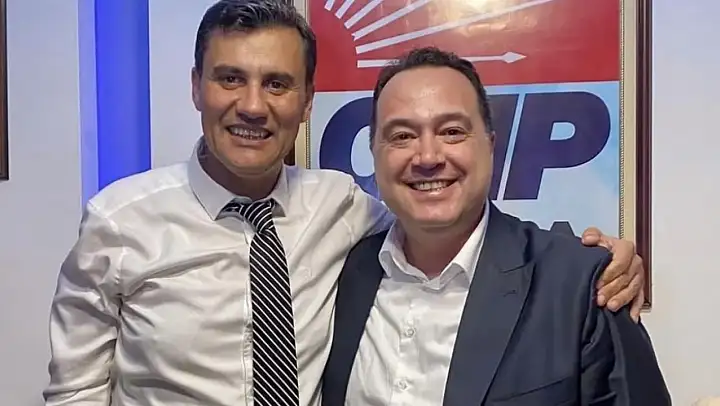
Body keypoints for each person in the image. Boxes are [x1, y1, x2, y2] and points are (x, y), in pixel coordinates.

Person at [44, 1, 646, 405]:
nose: (252, 105)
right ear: (196, 86)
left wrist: (594, 259)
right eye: (230, 78)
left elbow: (458, 218)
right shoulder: (119, 221)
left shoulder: (341, 208)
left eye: (277, 84)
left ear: (307, 102)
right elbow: (74, 392)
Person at [322, 47, 669, 406]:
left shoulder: (585, 286)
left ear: (490, 146)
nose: (427, 157)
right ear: (374, 154)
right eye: (402, 136)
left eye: (452, 132)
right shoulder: (343, 273)